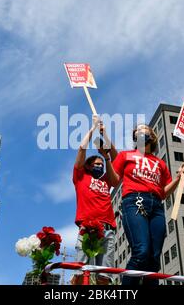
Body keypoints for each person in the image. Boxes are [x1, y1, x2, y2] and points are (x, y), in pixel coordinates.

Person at [105, 124, 184, 285]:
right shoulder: (125, 155)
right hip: (134, 201)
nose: (139, 131)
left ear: (152, 135)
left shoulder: (160, 163)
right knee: (141, 251)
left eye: (143, 129)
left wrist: (179, 178)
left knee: (154, 259)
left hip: (157, 206)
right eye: (137, 131)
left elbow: (164, 193)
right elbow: (114, 181)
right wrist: (107, 159)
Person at [71, 115, 118, 285]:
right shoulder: (81, 176)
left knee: (104, 275)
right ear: (88, 166)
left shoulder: (106, 180)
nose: (100, 166)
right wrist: (93, 128)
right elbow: (82, 148)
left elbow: (116, 178)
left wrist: (106, 156)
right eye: (96, 164)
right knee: (79, 270)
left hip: (107, 229)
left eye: (101, 165)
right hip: (88, 227)